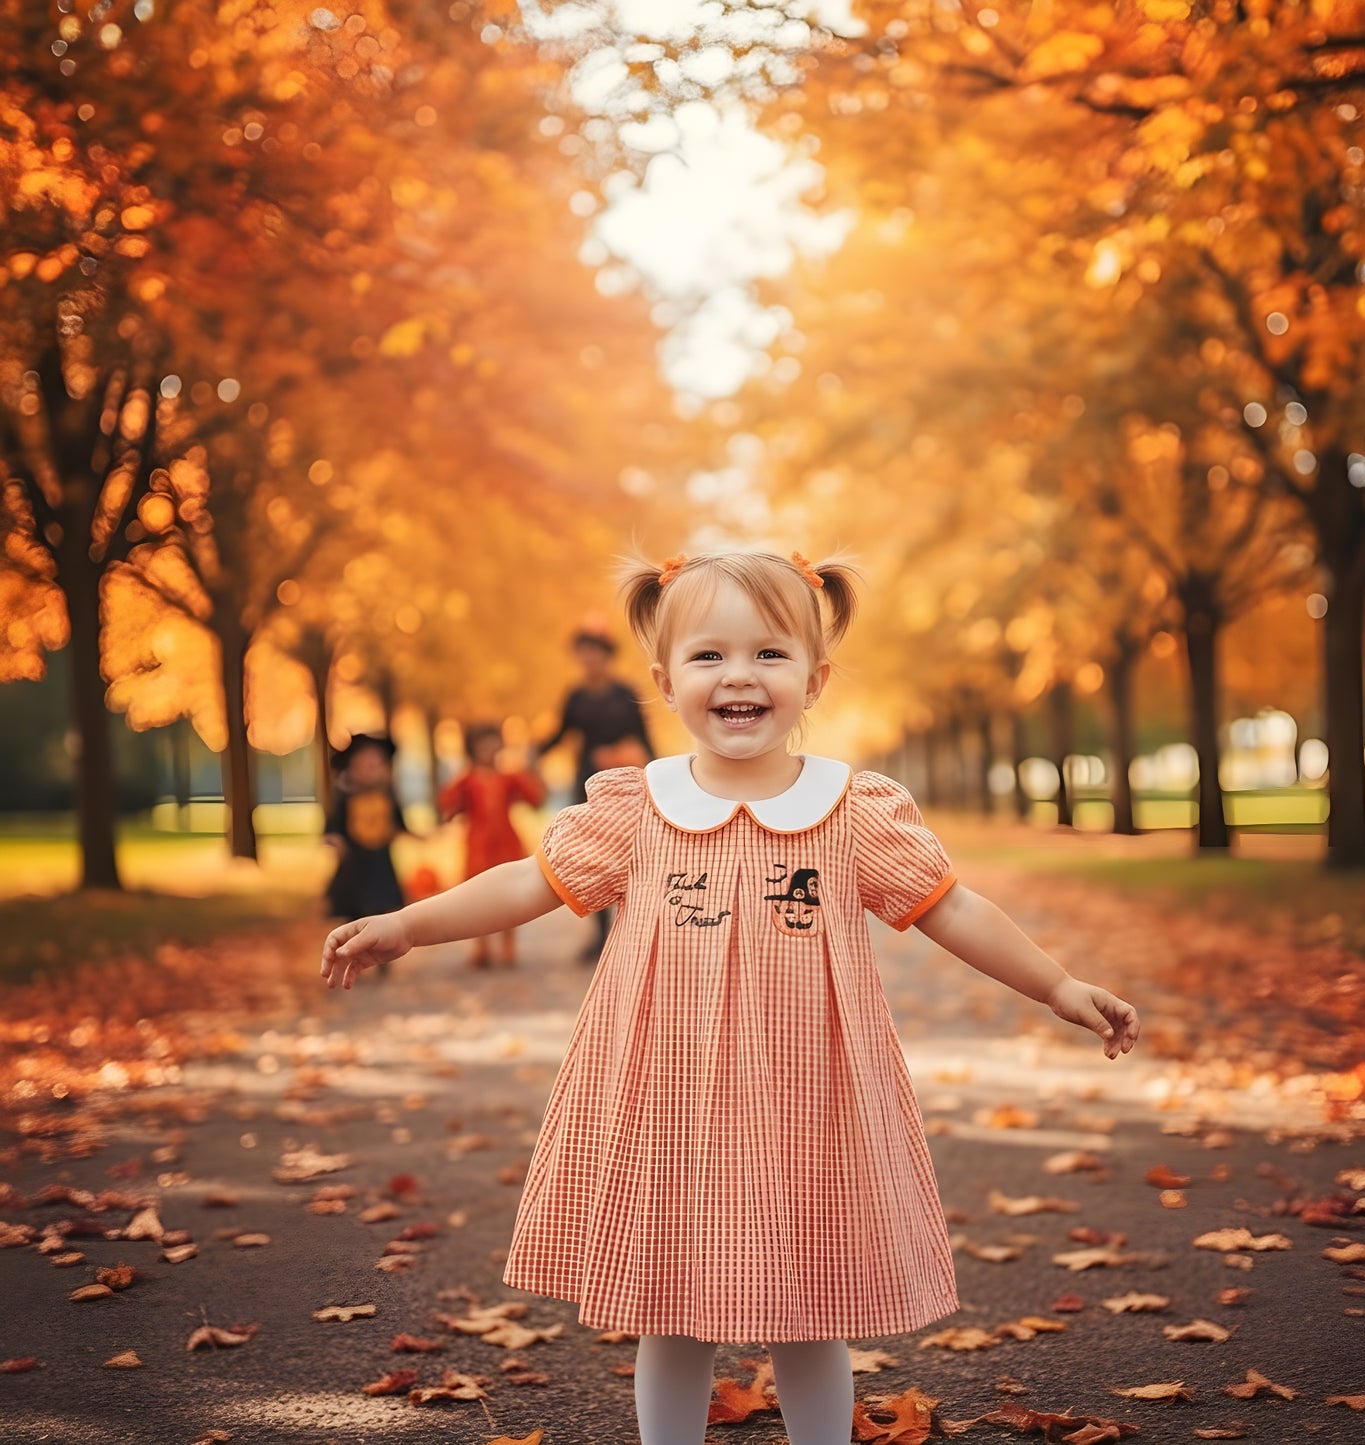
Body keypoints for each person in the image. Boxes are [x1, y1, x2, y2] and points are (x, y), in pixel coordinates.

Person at [319, 548, 1141, 1445]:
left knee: (810, 1308)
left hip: (808, 1100)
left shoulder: (850, 810)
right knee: (671, 1307)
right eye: (708, 655)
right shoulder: (637, 808)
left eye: (769, 654)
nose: (737, 675)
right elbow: (525, 883)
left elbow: (953, 909)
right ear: (665, 680)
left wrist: (1056, 984)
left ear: (814, 678)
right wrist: (407, 924)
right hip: (670, 1095)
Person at [535, 623, 654, 960]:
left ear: (606, 655)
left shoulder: (625, 694)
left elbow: (645, 739)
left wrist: (661, 773)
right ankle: (600, 934)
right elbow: (561, 734)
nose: (588, 659)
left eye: (594, 652)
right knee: (592, 858)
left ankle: (630, 931)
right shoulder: (575, 696)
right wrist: (534, 753)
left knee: (629, 855)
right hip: (587, 782)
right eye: (582, 653)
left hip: (624, 783)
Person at [436, 722, 546, 968]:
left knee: (511, 895)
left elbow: (535, 798)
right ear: (472, 749)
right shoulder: (467, 779)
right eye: (482, 744)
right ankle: (481, 947)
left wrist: (531, 770)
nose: (487, 749)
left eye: (491, 742)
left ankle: (508, 947)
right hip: (478, 845)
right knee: (477, 896)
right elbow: (447, 807)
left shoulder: (509, 777)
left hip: (506, 842)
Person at [322, 733, 409, 976]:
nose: (371, 771)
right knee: (355, 910)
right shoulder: (345, 797)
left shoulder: (387, 795)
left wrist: (412, 833)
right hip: (355, 865)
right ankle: (350, 952)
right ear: (352, 768)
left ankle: (384, 955)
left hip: (381, 862)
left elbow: (398, 821)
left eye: (376, 765)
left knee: (383, 908)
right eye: (364, 765)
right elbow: (333, 824)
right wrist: (333, 839)